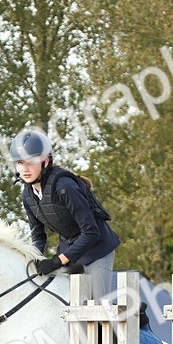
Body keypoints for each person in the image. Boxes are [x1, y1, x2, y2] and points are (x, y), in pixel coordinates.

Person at [10, 128, 120, 302]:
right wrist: (36, 260)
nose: (24, 169)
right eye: (20, 163)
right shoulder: (27, 195)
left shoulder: (65, 187)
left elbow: (91, 232)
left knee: (100, 306)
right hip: (69, 250)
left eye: (30, 162)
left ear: (45, 162)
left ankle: (136, 320)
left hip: (97, 249)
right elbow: (38, 235)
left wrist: (56, 261)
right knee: (61, 302)